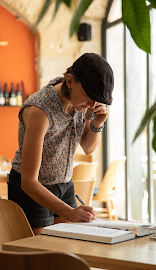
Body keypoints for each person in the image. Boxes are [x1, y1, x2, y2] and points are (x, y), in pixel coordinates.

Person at [8, 53, 114, 235]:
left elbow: (88, 148)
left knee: (68, 250)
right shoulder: (40, 110)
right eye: (89, 97)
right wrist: (70, 212)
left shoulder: (80, 103)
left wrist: (97, 123)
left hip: (64, 183)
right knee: (42, 256)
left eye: (96, 100)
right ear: (70, 81)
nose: (92, 104)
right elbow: (28, 182)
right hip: (33, 190)